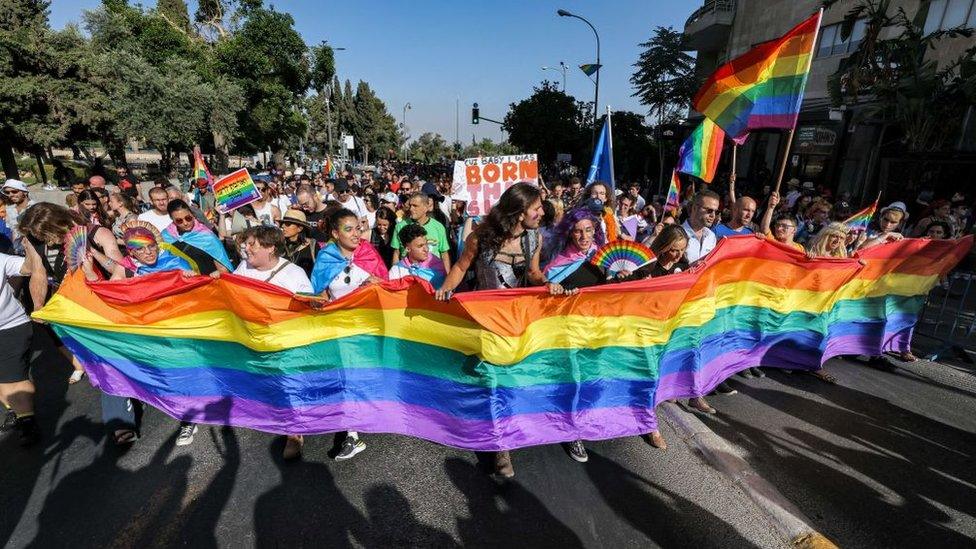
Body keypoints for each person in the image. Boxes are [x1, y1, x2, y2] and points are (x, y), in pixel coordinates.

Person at [436, 183, 566, 479]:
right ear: (519, 212)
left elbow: (532, 274)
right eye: (536, 208)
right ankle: (501, 447)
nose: (541, 212)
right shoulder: (480, 237)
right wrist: (443, 293)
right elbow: (460, 268)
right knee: (494, 383)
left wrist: (547, 284)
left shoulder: (535, 238)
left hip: (515, 321)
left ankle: (502, 437)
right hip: (484, 320)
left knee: (509, 382)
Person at [309, 208, 389, 461]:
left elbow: (387, 286)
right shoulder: (326, 257)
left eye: (358, 228)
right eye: (349, 229)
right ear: (335, 233)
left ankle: (356, 427)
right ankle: (352, 433)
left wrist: (376, 283)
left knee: (358, 377)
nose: (356, 234)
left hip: (367, 326)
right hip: (339, 328)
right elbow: (317, 293)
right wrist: (320, 301)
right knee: (347, 378)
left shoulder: (368, 252)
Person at [0, 246, 42, 446]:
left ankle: (27, 421)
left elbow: (26, 268)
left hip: (10, 326)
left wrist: (31, 250)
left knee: (14, 377)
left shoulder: (0, 259)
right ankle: (14, 409)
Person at [803, 222, 852, 384]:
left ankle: (814, 366)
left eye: (841, 238)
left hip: (828, 304)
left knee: (821, 333)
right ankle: (798, 362)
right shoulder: (812, 252)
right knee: (801, 333)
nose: (838, 240)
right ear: (826, 236)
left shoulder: (842, 258)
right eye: (834, 236)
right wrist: (808, 261)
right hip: (808, 300)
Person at [162, 199, 233, 275]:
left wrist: (217, 273)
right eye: (179, 221)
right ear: (172, 219)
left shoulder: (206, 236)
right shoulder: (166, 236)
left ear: (192, 214)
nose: (185, 223)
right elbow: (165, 266)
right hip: (184, 283)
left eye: (188, 218)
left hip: (209, 282)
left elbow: (224, 269)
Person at [390, 192, 452, 272]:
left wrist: (446, 277)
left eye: (415, 206)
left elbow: (444, 254)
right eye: (410, 205)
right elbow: (396, 253)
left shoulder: (438, 227)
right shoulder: (400, 226)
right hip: (407, 276)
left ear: (426, 207)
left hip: (433, 276)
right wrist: (396, 275)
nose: (411, 209)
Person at [388, 224, 447, 288]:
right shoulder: (396, 271)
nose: (426, 249)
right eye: (420, 246)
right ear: (408, 249)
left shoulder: (437, 265)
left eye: (426, 244)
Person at [682, 191, 719, 263]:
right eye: (709, 210)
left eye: (716, 212)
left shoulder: (711, 236)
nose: (713, 215)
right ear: (694, 208)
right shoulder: (677, 234)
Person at [278, 209, 317, 276]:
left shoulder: (313, 247)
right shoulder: (279, 245)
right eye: (282, 223)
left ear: (300, 228)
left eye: (288, 224)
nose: (283, 226)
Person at [3, 179, 36, 253]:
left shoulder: (36, 208)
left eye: (14, 191)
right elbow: (13, 231)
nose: (10, 195)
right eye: (7, 192)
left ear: (24, 192)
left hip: (35, 249)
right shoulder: (9, 209)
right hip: (18, 250)